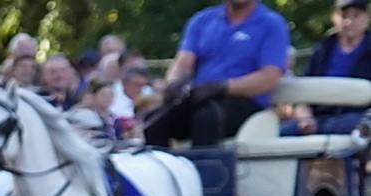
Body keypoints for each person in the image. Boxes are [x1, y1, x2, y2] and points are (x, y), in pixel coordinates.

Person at [145, 0, 289, 147]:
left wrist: (222, 87)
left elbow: (269, 78)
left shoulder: (272, 24)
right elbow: (183, 64)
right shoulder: (201, 20)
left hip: (245, 102)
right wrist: (174, 83)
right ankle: (162, 160)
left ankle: (207, 162)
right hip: (201, 97)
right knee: (154, 121)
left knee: (206, 118)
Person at [296, 0, 371, 134]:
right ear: (334, 18)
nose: (349, 22)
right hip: (319, 118)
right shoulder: (322, 49)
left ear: (367, 18)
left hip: (359, 119)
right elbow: (301, 93)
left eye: (356, 15)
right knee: (280, 133)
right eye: (344, 16)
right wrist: (304, 118)